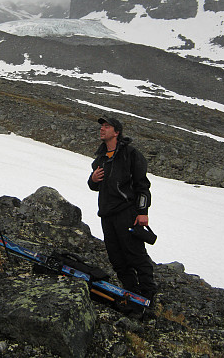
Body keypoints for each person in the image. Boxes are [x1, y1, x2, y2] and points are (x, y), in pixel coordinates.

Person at [88, 115, 156, 312]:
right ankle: (133, 295)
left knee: (136, 255)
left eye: (107, 127)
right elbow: (95, 186)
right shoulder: (100, 158)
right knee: (116, 258)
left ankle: (148, 298)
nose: (102, 129)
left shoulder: (130, 154)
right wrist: (93, 179)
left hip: (126, 213)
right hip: (107, 215)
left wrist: (142, 212)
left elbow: (143, 185)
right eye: (101, 126)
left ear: (116, 132)